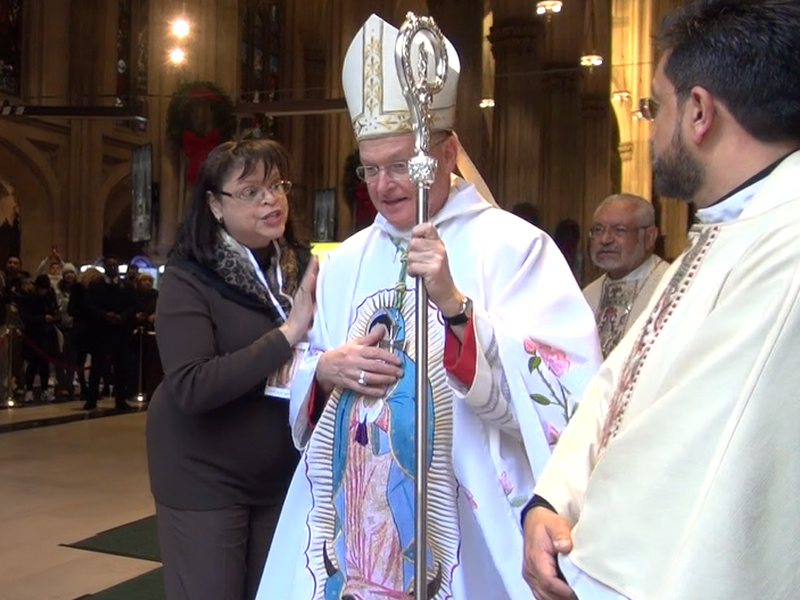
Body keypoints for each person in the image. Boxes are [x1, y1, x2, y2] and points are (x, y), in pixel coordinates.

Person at [257, 14, 601, 600]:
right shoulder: (343, 262)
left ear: (446, 153)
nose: (385, 185)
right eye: (370, 168)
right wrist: (325, 372)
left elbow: (569, 385)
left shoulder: (514, 247)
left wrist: (457, 310)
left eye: (401, 165)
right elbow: (305, 368)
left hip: (463, 509)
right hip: (356, 506)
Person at [522, 2, 800, 599]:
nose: (649, 127)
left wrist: (583, 559)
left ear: (698, 112)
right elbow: (618, 381)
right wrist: (551, 499)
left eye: (654, 107)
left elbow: (693, 447)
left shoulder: (786, 243)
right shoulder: (729, 225)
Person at [146, 138, 318, 600]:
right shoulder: (190, 275)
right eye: (250, 191)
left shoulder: (299, 267)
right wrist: (287, 335)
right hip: (203, 472)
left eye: (277, 186)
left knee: (274, 590)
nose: (270, 199)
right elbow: (192, 385)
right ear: (215, 206)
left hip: (279, 470)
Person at [583, 195, 669, 357]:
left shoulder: (672, 288)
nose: (605, 239)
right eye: (598, 229)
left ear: (649, 237)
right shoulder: (588, 296)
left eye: (619, 230)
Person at [83, 255, 135, 410]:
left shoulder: (126, 287)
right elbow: (89, 305)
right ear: (105, 267)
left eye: (115, 266)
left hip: (119, 331)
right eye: (110, 266)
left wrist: (123, 317)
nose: (113, 268)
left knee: (120, 367)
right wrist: (105, 315)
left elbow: (133, 305)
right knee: (97, 366)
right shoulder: (96, 285)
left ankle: (120, 399)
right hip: (101, 331)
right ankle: (91, 399)